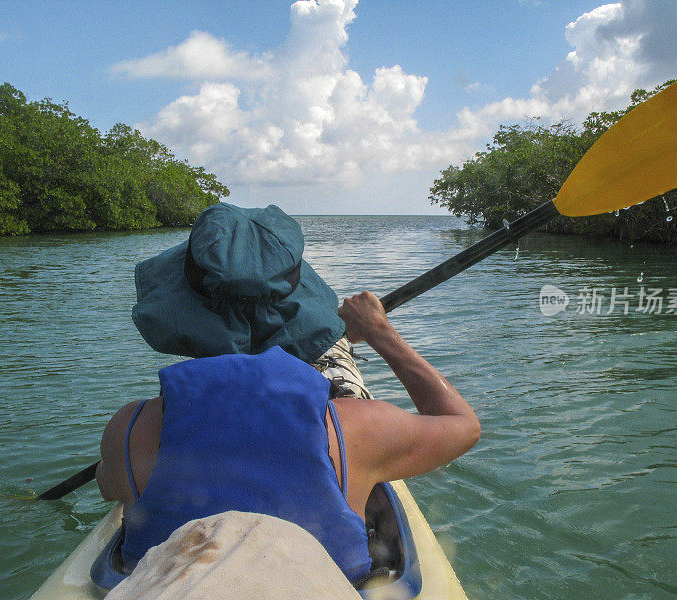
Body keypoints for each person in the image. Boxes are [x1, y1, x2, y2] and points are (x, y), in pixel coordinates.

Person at [95, 203, 480, 584]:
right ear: (298, 308)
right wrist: (381, 333)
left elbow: (106, 484)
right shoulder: (360, 428)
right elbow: (463, 426)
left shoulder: (129, 430)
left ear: (181, 311)